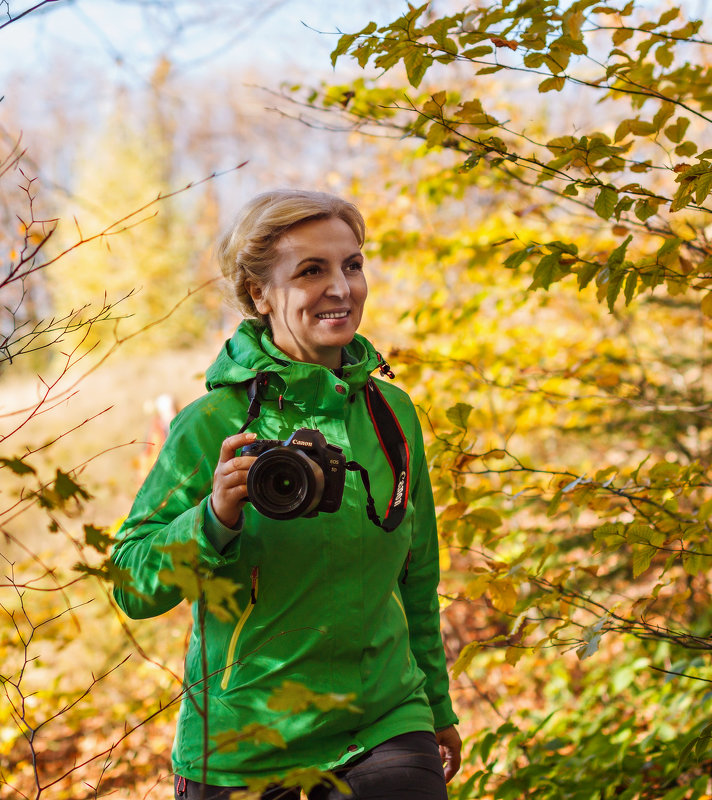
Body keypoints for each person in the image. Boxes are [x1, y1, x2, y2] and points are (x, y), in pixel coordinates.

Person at [110, 189, 462, 798]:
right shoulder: (213, 424)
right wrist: (213, 516)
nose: (342, 288)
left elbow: (416, 574)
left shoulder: (391, 414)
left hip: (382, 723)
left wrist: (435, 703)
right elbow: (131, 585)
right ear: (259, 294)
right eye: (311, 271)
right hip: (242, 746)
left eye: (352, 265)